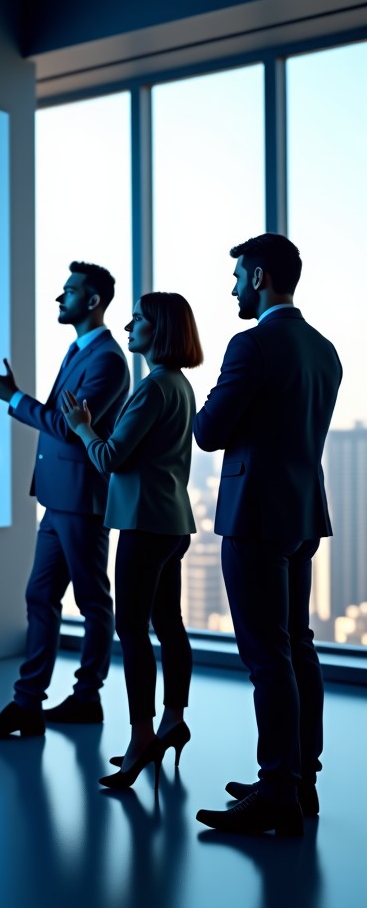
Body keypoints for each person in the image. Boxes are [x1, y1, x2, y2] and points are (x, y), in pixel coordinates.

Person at [193, 234, 341, 837]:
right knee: (297, 646)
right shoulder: (325, 350)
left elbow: (208, 430)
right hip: (302, 515)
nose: (231, 289)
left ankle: (277, 788)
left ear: (258, 277)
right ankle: (300, 779)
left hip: (254, 517)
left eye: (236, 278)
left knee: (267, 655)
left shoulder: (251, 345)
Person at [0, 262, 130, 738]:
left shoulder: (106, 359)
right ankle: (27, 704)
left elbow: (67, 427)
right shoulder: (79, 350)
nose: (59, 299)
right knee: (40, 595)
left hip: (82, 498)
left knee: (92, 600)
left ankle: (87, 697)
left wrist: (14, 398)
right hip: (60, 497)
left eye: (69, 292)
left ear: (93, 301)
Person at [61, 292, 202, 789]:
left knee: (134, 630)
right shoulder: (179, 386)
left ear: (159, 330)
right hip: (173, 522)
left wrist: (82, 428)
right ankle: (174, 719)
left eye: (139, 319)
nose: (128, 325)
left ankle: (142, 735)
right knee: (169, 623)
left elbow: (109, 458)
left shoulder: (151, 388)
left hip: (143, 525)